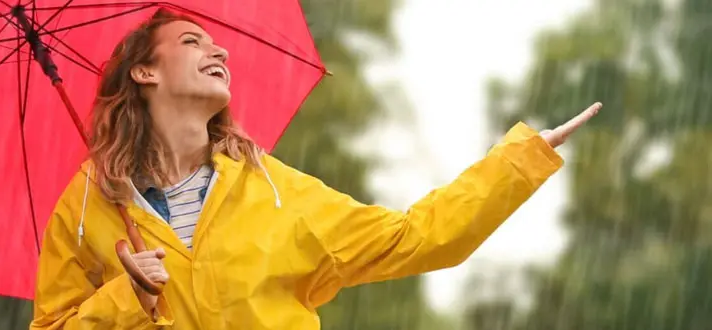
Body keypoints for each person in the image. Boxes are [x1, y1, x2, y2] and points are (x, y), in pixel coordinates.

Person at [30, 9, 600, 330]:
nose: (220, 52)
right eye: (190, 41)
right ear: (144, 74)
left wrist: (519, 160)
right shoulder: (87, 209)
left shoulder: (275, 191)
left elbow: (417, 239)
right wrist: (128, 302)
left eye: (216, 43)